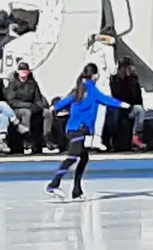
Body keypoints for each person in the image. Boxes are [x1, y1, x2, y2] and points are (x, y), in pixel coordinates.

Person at [46, 63, 127, 201]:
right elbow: (105, 99)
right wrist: (121, 104)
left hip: (73, 128)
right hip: (80, 129)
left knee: (83, 157)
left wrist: (55, 108)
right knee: (73, 156)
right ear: (95, 76)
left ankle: (77, 190)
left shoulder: (78, 89)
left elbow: (66, 101)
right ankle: (53, 184)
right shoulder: (91, 89)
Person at [109, 59, 151, 152]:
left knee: (140, 110)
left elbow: (137, 96)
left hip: (131, 107)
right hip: (120, 106)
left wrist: (131, 80)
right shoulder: (116, 80)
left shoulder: (134, 79)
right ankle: (113, 140)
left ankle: (136, 137)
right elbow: (117, 95)